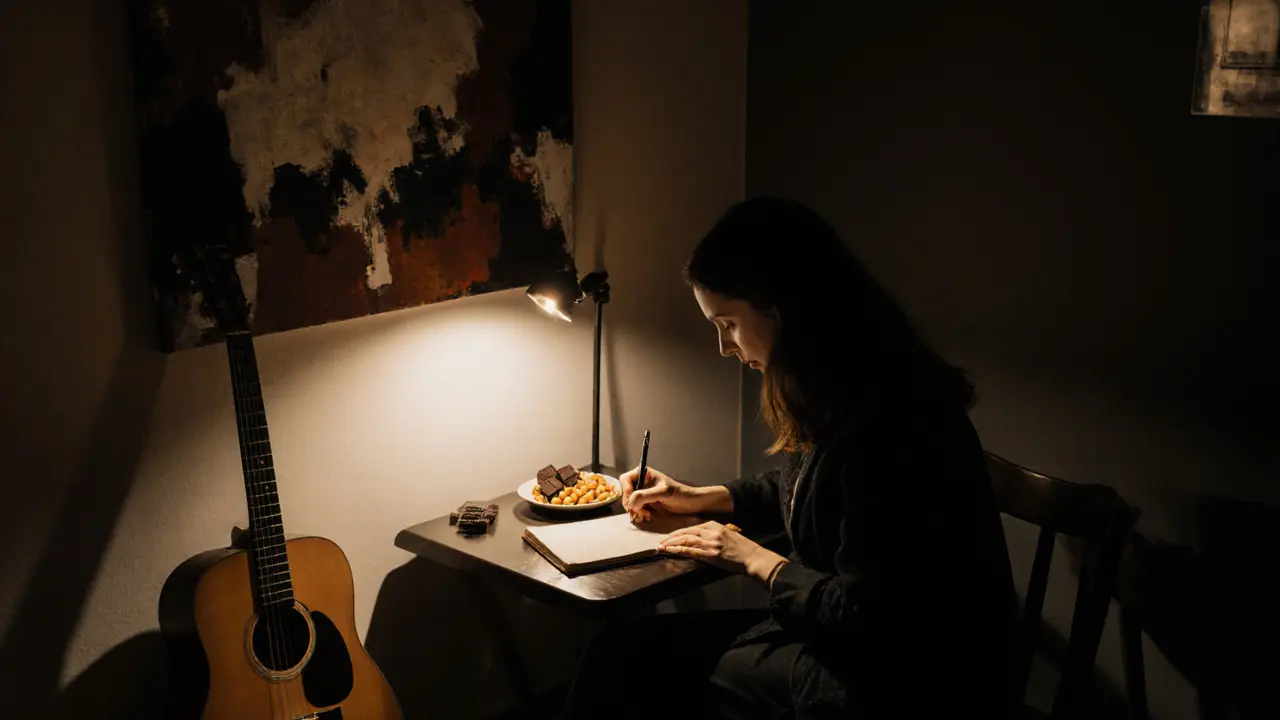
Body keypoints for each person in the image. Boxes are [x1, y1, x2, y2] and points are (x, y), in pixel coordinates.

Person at [562, 197, 1017, 719]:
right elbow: (811, 490)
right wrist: (702, 497)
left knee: (644, 672)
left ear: (781, 313)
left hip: (909, 683)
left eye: (728, 324)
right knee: (621, 653)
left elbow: (869, 618)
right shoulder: (842, 385)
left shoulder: (895, 422)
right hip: (841, 645)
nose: (723, 347)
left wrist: (754, 559)